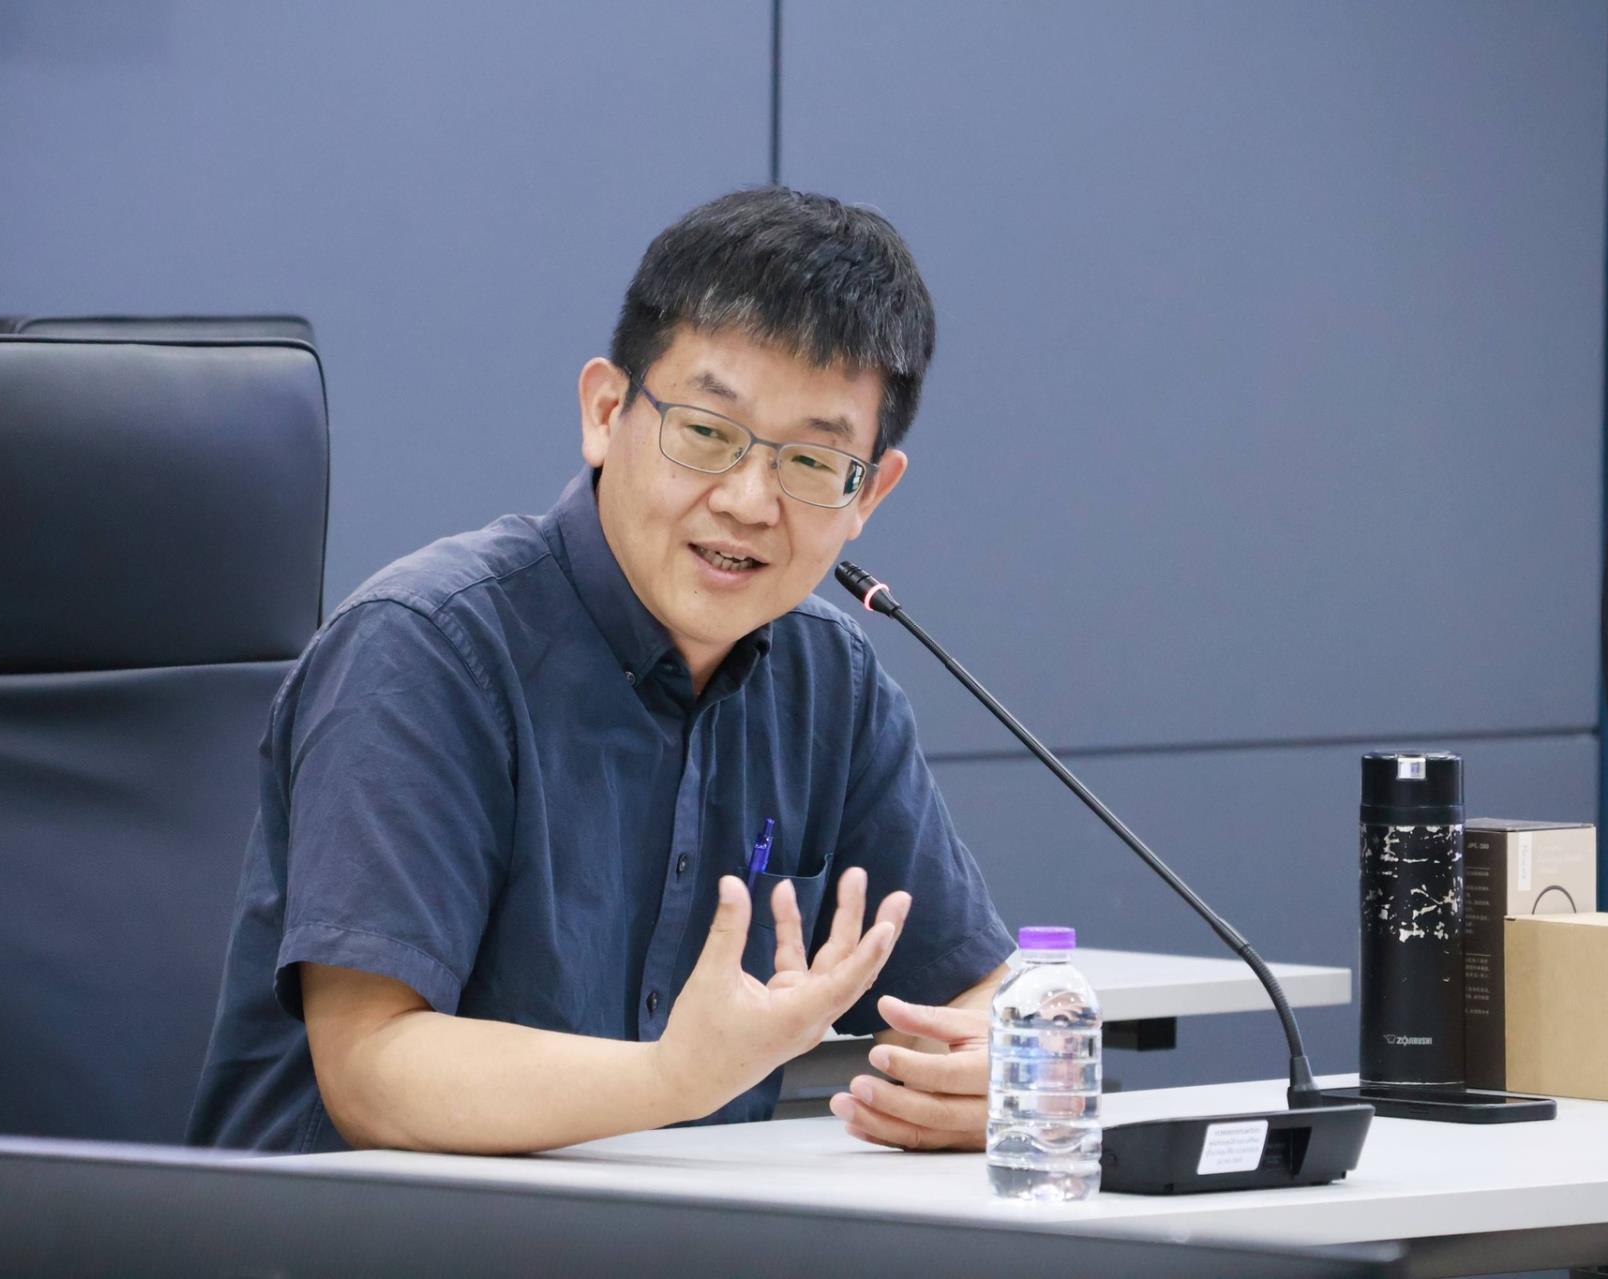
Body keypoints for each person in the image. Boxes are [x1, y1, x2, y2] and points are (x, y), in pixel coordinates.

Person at [188, 187, 1012, 1156]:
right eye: (707, 433)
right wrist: (673, 1079)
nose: (749, 501)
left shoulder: (833, 684)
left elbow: (975, 989)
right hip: (359, 1228)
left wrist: (996, 1064)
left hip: (669, 1228)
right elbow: (373, 1066)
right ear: (606, 409)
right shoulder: (425, 648)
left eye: (811, 463)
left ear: (869, 492)